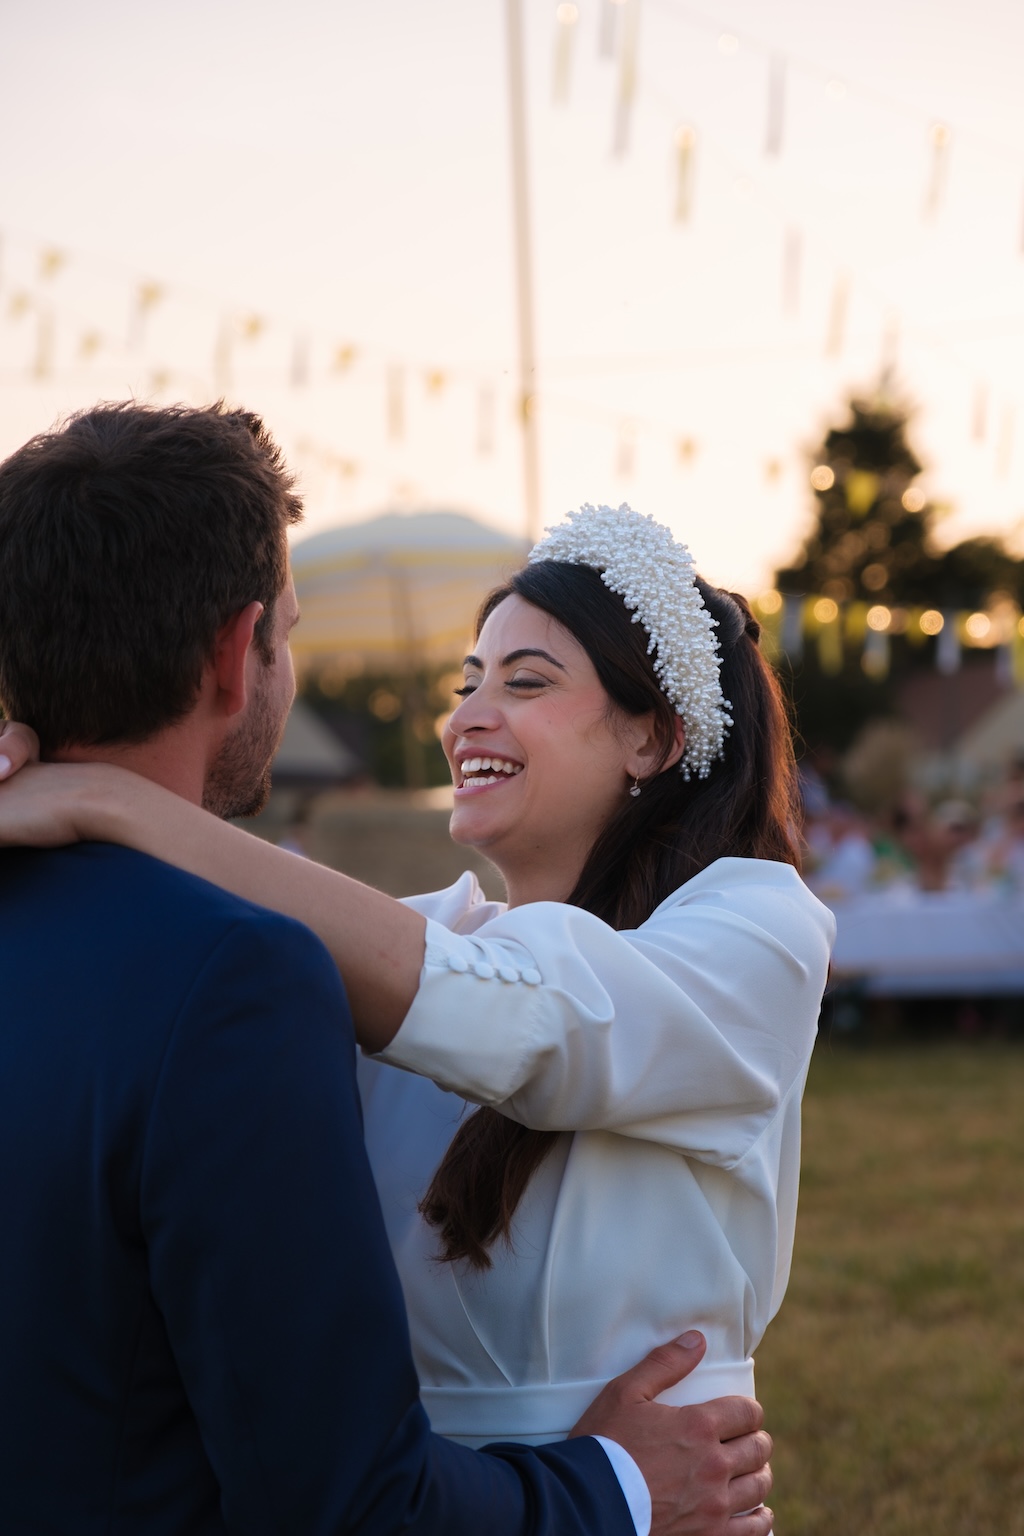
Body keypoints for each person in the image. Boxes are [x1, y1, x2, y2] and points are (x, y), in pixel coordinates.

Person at [0, 403, 774, 1536]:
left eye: (524, 681)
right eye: (469, 678)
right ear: (237, 652)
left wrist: (104, 796)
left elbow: (535, 1019)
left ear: (653, 735)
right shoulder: (295, 960)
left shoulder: (750, 928)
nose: (469, 714)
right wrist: (607, 1491)